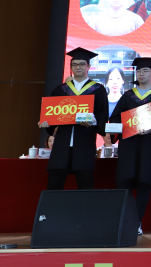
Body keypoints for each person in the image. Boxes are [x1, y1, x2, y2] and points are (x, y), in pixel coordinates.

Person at [109, 57, 151, 236]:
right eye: (138, 71)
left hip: (149, 145)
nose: (141, 74)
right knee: (125, 181)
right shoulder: (128, 95)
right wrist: (119, 128)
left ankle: (137, 222)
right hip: (129, 145)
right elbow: (115, 118)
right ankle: (125, 221)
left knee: (144, 182)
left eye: (145, 71)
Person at [39, 47, 109, 191]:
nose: (78, 67)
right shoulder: (61, 89)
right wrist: (47, 123)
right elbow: (51, 113)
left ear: (88, 66)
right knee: (54, 184)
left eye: (82, 64)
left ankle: (84, 207)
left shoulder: (98, 89)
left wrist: (92, 121)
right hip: (62, 144)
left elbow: (102, 115)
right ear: (71, 67)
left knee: (85, 185)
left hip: (84, 143)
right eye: (74, 64)